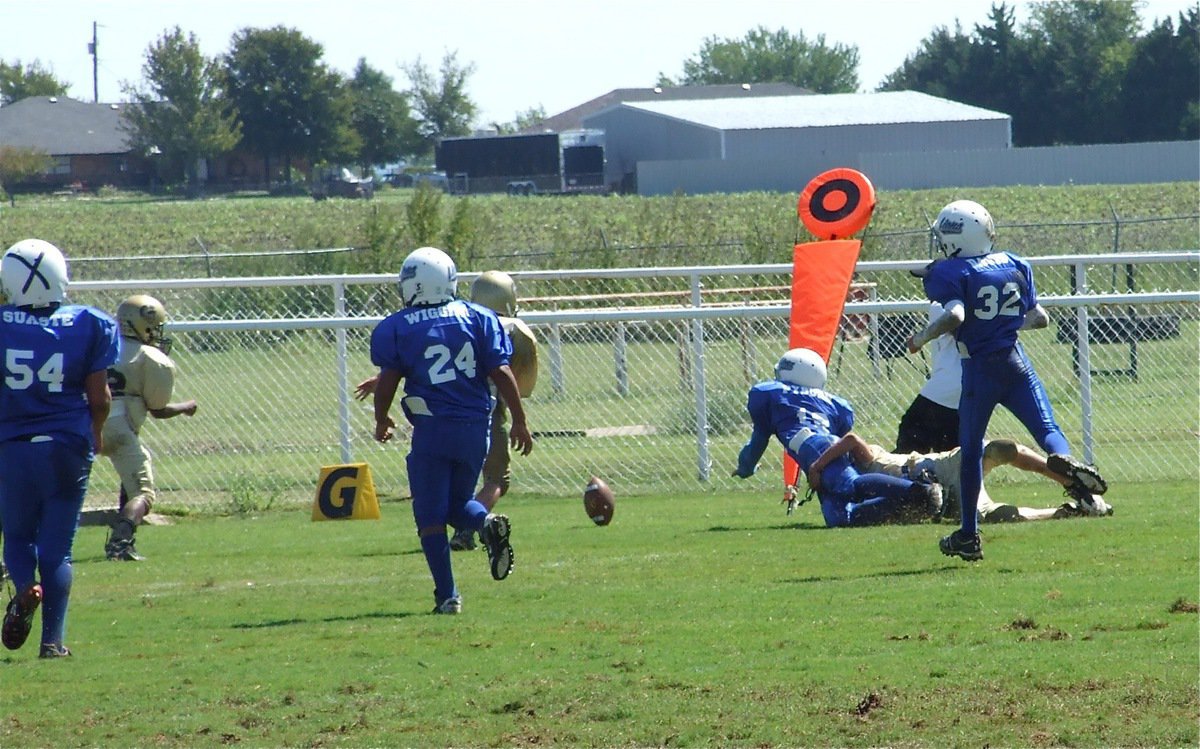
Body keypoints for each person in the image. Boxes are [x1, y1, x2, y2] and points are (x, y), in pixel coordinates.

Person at [906, 199, 1107, 561]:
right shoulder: (1014, 263)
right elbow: (1039, 318)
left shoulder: (949, 272)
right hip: (1016, 364)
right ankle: (1063, 459)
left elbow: (954, 314)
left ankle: (968, 535)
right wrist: (1003, 323)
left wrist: (922, 338)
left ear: (954, 239)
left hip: (979, 371)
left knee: (971, 452)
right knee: (1046, 427)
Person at [369, 246, 533, 615]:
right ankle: (486, 522)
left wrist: (381, 418)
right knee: (458, 506)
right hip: (476, 429)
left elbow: (389, 379)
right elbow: (501, 372)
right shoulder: (478, 317)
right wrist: (520, 420)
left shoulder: (397, 327)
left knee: (430, 517)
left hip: (433, 429)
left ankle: (447, 596)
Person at [0, 238, 120, 658]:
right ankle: (52, 642)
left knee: (16, 536)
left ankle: (23, 588)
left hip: (12, 445)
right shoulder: (90, 322)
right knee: (58, 549)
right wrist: (97, 433)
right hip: (67, 445)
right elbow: (100, 397)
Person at [732, 347, 943, 528]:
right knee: (839, 518)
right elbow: (840, 431)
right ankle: (906, 504)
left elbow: (758, 440)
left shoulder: (772, 393)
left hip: (816, 447)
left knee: (850, 485)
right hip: (830, 444)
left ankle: (917, 489)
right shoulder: (831, 402)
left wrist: (745, 467)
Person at [813, 432, 1113, 523]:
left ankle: (1069, 481)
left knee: (997, 449)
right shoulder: (864, 486)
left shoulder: (866, 462)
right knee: (993, 516)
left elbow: (851, 439)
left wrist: (816, 466)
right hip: (941, 491)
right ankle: (1065, 512)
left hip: (938, 468)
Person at [101, 294, 198, 561]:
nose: (156, 333)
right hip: (119, 427)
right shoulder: (150, 357)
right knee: (143, 492)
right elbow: (158, 409)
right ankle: (120, 544)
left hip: (83, 422)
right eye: (153, 327)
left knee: (62, 490)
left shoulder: (98, 345)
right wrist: (186, 406)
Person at [894, 301, 961, 454]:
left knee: (911, 434)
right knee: (951, 450)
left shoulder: (945, 303)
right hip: (975, 381)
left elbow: (954, 320)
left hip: (947, 384)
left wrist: (919, 339)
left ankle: (902, 475)